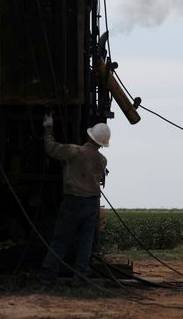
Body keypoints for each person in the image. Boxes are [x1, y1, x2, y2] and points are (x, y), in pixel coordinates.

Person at [39, 113, 110, 289]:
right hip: (92, 203)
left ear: (89, 135)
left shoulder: (74, 151)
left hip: (73, 202)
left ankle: (48, 279)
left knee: (61, 240)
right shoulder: (102, 160)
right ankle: (80, 279)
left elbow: (51, 148)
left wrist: (48, 128)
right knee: (86, 243)